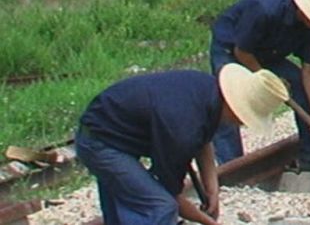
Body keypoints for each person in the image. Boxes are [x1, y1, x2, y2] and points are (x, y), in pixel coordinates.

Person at [75, 65, 284, 225]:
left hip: (112, 132)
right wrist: (207, 221)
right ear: (235, 107)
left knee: (124, 213)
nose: (243, 122)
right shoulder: (183, 128)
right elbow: (170, 194)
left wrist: (212, 189)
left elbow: (203, 142)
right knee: (159, 207)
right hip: (101, 144)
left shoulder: (208, 91)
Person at [209, 0, 310, 172]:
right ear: (303, 10)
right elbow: (242, 51)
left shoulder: (307, 28)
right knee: (227, 101)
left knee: (297, 81)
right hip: (231, 48)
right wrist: (267, 80)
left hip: (267, 53)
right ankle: (233, 167)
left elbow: (308, 70)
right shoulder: (264, 10)